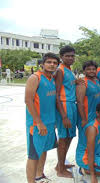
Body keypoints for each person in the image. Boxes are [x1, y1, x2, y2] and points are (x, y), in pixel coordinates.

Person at [25, 53, 60, 183]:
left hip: (50, 123)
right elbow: (28, 100)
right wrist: (38, 122)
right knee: (33, 155)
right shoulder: (35, 78)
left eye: (55, 63)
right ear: (42, 64)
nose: (52, 65)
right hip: (37, 124)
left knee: (44, 150)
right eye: (49, 62)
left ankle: (39, 176)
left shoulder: (52, 79)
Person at [55, 45, 78, 178]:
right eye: (67, 56)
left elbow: (68, 86)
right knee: (63, 138)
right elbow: (57, 94)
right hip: (65, 105)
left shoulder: (69, 70)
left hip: (71, 105)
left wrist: (76, 82)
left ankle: (61, 164)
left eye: (72, 56)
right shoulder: (60, 70)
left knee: (69, 136)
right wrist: (63, 116)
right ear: (61, 57)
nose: (70, 58)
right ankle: (60, 170)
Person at [77, 60, 100, 128]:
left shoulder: (97, 80)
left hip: (96, 115)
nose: (91, 71)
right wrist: (84, 119)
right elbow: (79, 102)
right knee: (86, 137)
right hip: (87, 116)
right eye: (88, 69)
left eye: (93, 69)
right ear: (84, 71)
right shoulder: (82, 83)